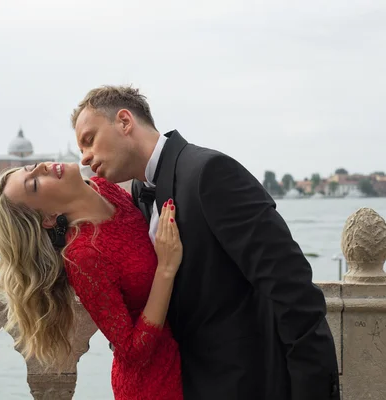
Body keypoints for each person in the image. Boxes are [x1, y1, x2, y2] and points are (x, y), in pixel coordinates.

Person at [72, 85, 341, 400]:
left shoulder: (210, 172)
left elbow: (293, 290)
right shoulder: (135, 198)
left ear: (124, 121)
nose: (86, 158)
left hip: (247, 385)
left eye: (89, 140)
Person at [0, 162, 184, 400]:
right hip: (158, 385)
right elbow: (132, 351)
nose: (44, 168)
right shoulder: (85, 256)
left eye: (34, 166)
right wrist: (166, 269)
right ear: (48, 218)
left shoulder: (105, 188)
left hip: (198, 352)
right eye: (35, 184)